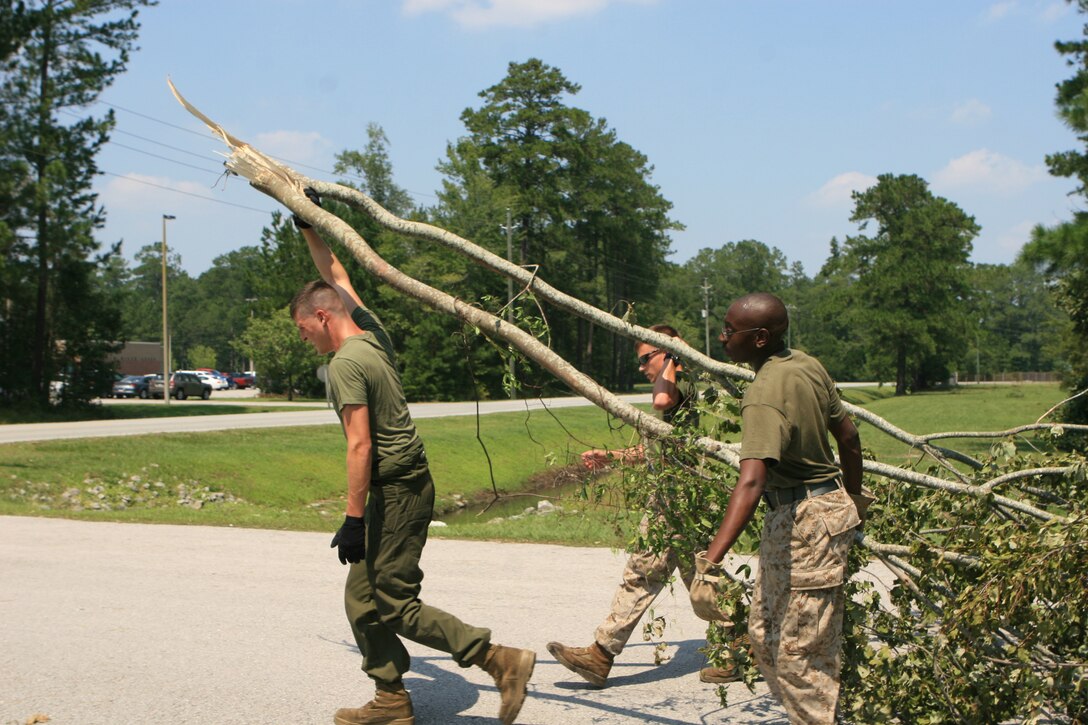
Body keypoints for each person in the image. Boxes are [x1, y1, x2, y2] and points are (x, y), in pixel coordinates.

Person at [289, 189, 535, 725]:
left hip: (397, 490)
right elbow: (339, 278)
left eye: (302, 328)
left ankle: (499, 660)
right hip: (398, 486)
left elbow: (360, 445)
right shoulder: (374, 336)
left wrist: (353, 520)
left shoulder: (345, 365)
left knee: (394, 602)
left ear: (322, 319)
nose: (303, 338)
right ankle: (391, 700)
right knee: (362, 599)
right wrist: (307, 224)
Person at [547, 325, 743, 687]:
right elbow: (651, 450)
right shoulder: (670, 385)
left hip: (675, 497)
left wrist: (671, 356)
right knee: (695, 573)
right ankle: (742, 643)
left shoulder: (676, 386)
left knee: (647, 574)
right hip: (672, 494)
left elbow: (661, 402)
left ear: (667, 354)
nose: (641, 368)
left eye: (645, 359)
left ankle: (601, 654)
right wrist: (610, 456)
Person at [703, 292, 864, 724]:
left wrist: (711, 561)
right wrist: (854, 497)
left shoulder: (763, 394)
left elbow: (752, 480)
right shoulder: (806, 364)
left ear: (758, 338)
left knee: (798, 654)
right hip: (798, 516)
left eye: (728, 330)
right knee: (764, 636)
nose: (721, 338)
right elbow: (848, 439)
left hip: (807, 522)